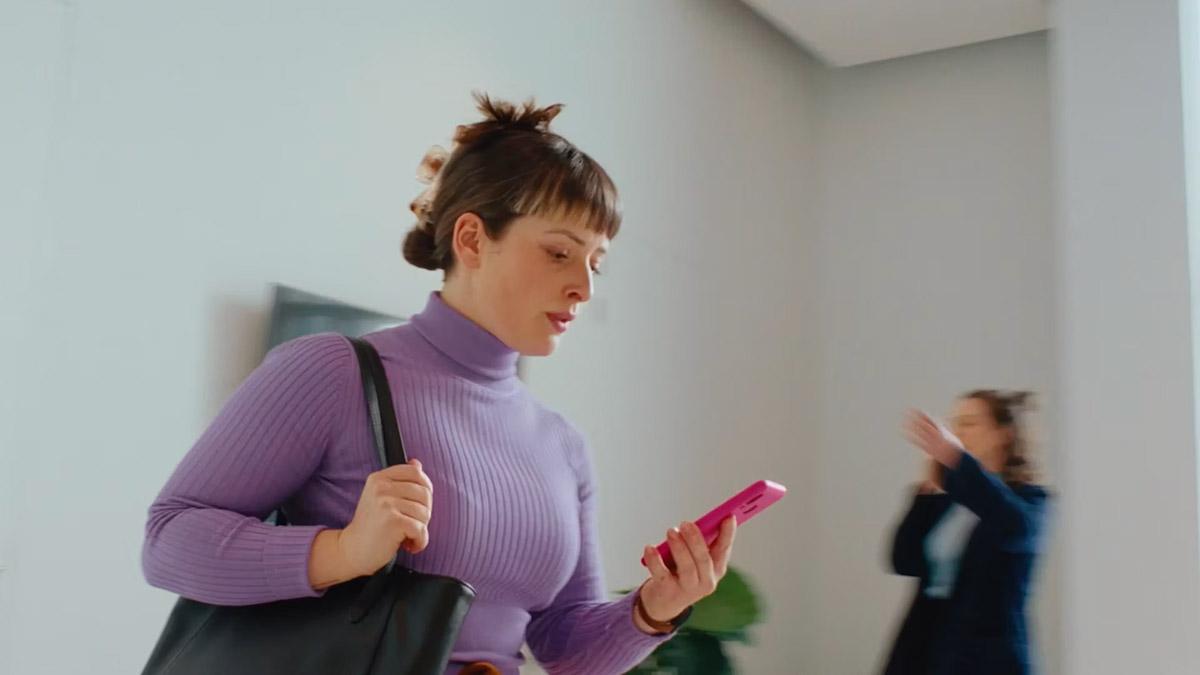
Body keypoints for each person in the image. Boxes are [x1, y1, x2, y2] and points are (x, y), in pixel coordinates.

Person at [142, 94, 737, 675]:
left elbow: (561, 644)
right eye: (560, 253)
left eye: (596, 263)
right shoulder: (332, 370)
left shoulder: (564, 446)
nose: (584, 286)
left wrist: (653, 611)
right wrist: (343, 551)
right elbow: (169, 540)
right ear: (473, 239)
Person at [881, 390, 1049, 675]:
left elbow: (1012, 525)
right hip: (928, 650)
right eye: (954, 424)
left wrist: (958, 463)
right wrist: (928, 493)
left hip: (987, 661)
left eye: (970, 423)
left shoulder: (1031, 500)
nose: (957, 433)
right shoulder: (947, 501)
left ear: (1002, 434)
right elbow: (904, 561)